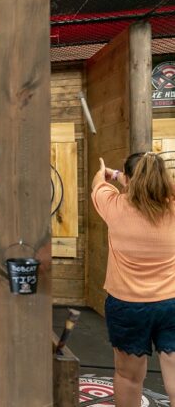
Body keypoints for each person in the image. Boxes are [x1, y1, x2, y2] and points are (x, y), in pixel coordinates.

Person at [92, 152, 175, 406]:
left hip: (127, 307)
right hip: (171, 303)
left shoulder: (113, 205)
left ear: (127, 180)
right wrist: (128, 176)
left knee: (128, 378)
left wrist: (110, 173)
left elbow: (99, 182)